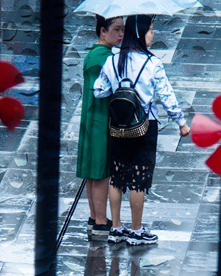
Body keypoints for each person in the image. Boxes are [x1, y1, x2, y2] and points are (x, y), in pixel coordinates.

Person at [93, 14, 190, 246]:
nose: (152, 35)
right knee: (138, 178)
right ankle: (136, 230)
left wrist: (120, 90)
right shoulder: (152, 63)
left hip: (117, 125)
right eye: (150, 31)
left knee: (117, 176)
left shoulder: (112, 61)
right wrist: (181, 122)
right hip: (144, 126)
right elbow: (166, 96)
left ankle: (116, 228)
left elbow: (98, 90)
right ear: (140, 33)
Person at [77, 15, 125, 240]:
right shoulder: (105, 58)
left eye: (122, 30)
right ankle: (100, 221)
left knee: (92, 172)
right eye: (116, 29)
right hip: (101, 119)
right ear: (103, 31)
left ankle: (94, 216)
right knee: (101, 172)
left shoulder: (93, 54)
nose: (120, 34)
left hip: (91, 117)